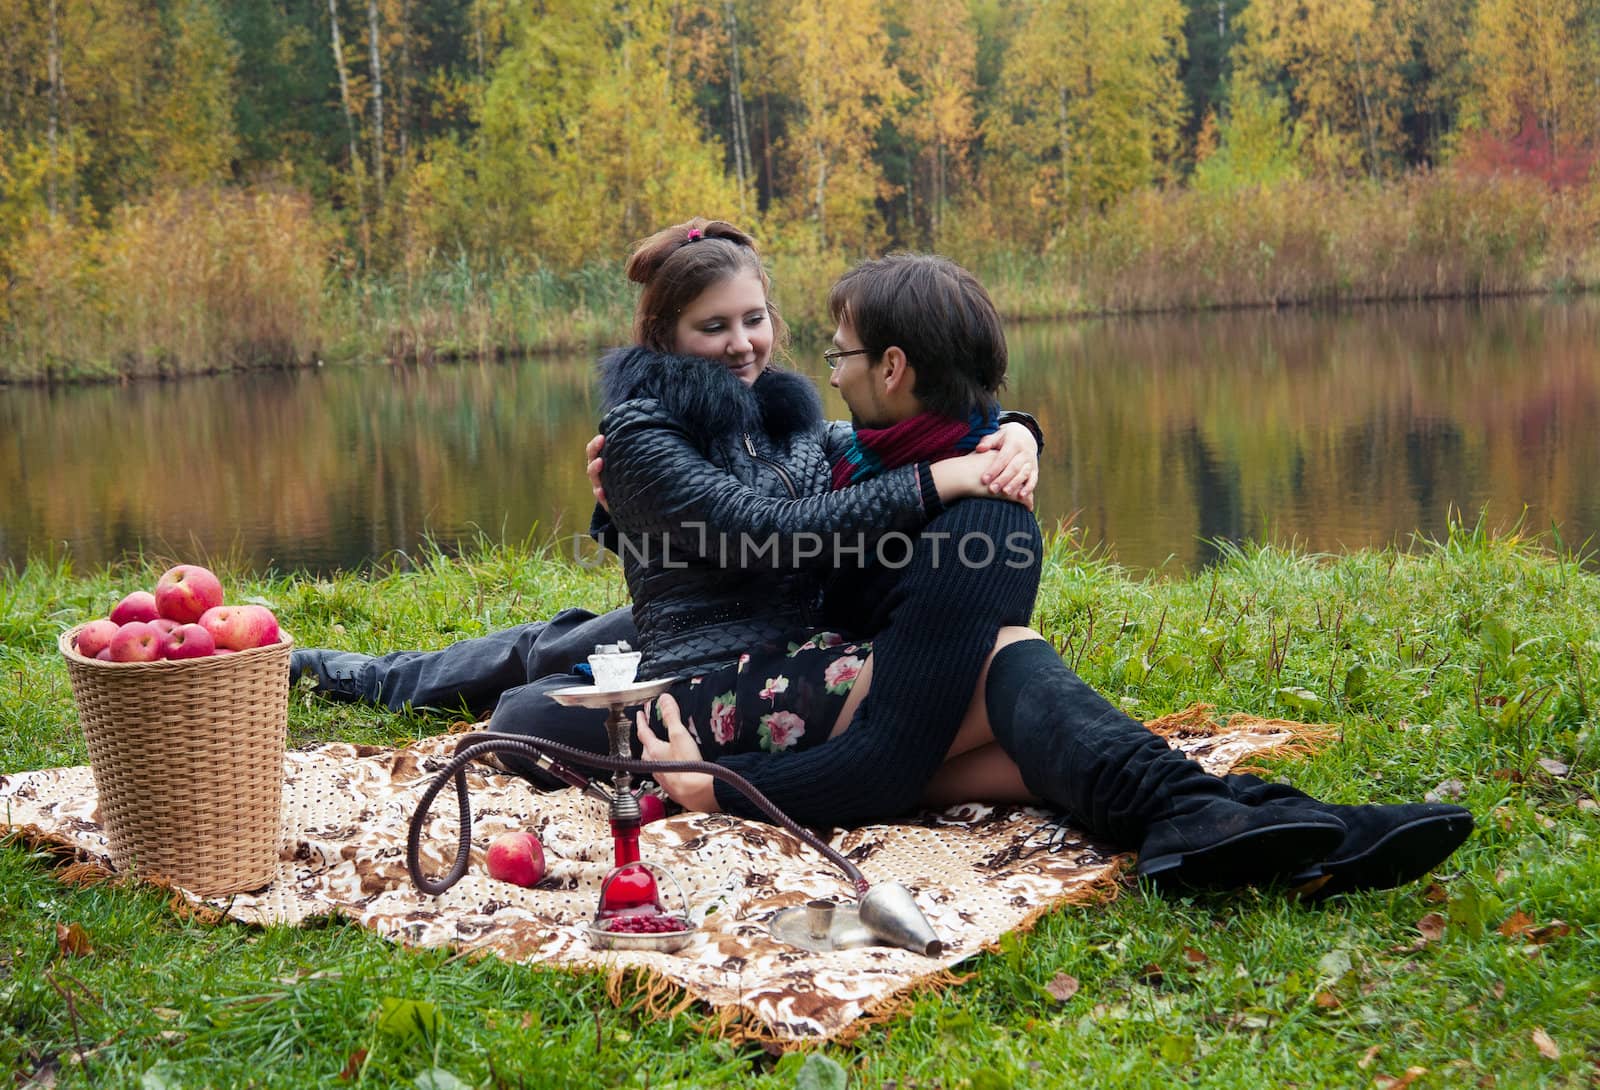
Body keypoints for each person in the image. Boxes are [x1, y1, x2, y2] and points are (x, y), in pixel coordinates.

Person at [582, 230, 1472, 896]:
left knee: (1021, 731)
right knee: (1006, 661)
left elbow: (882, 451)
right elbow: (763, 528)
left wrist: (1014, 435)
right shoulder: (642, 432)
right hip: (706, 692)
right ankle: (1237, 814)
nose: (744, 343)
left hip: (800, 664)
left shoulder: (784, 422)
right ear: (665, 340)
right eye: (714, 327)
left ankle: (1266, 825)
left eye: (755, 318)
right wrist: (715, 791)